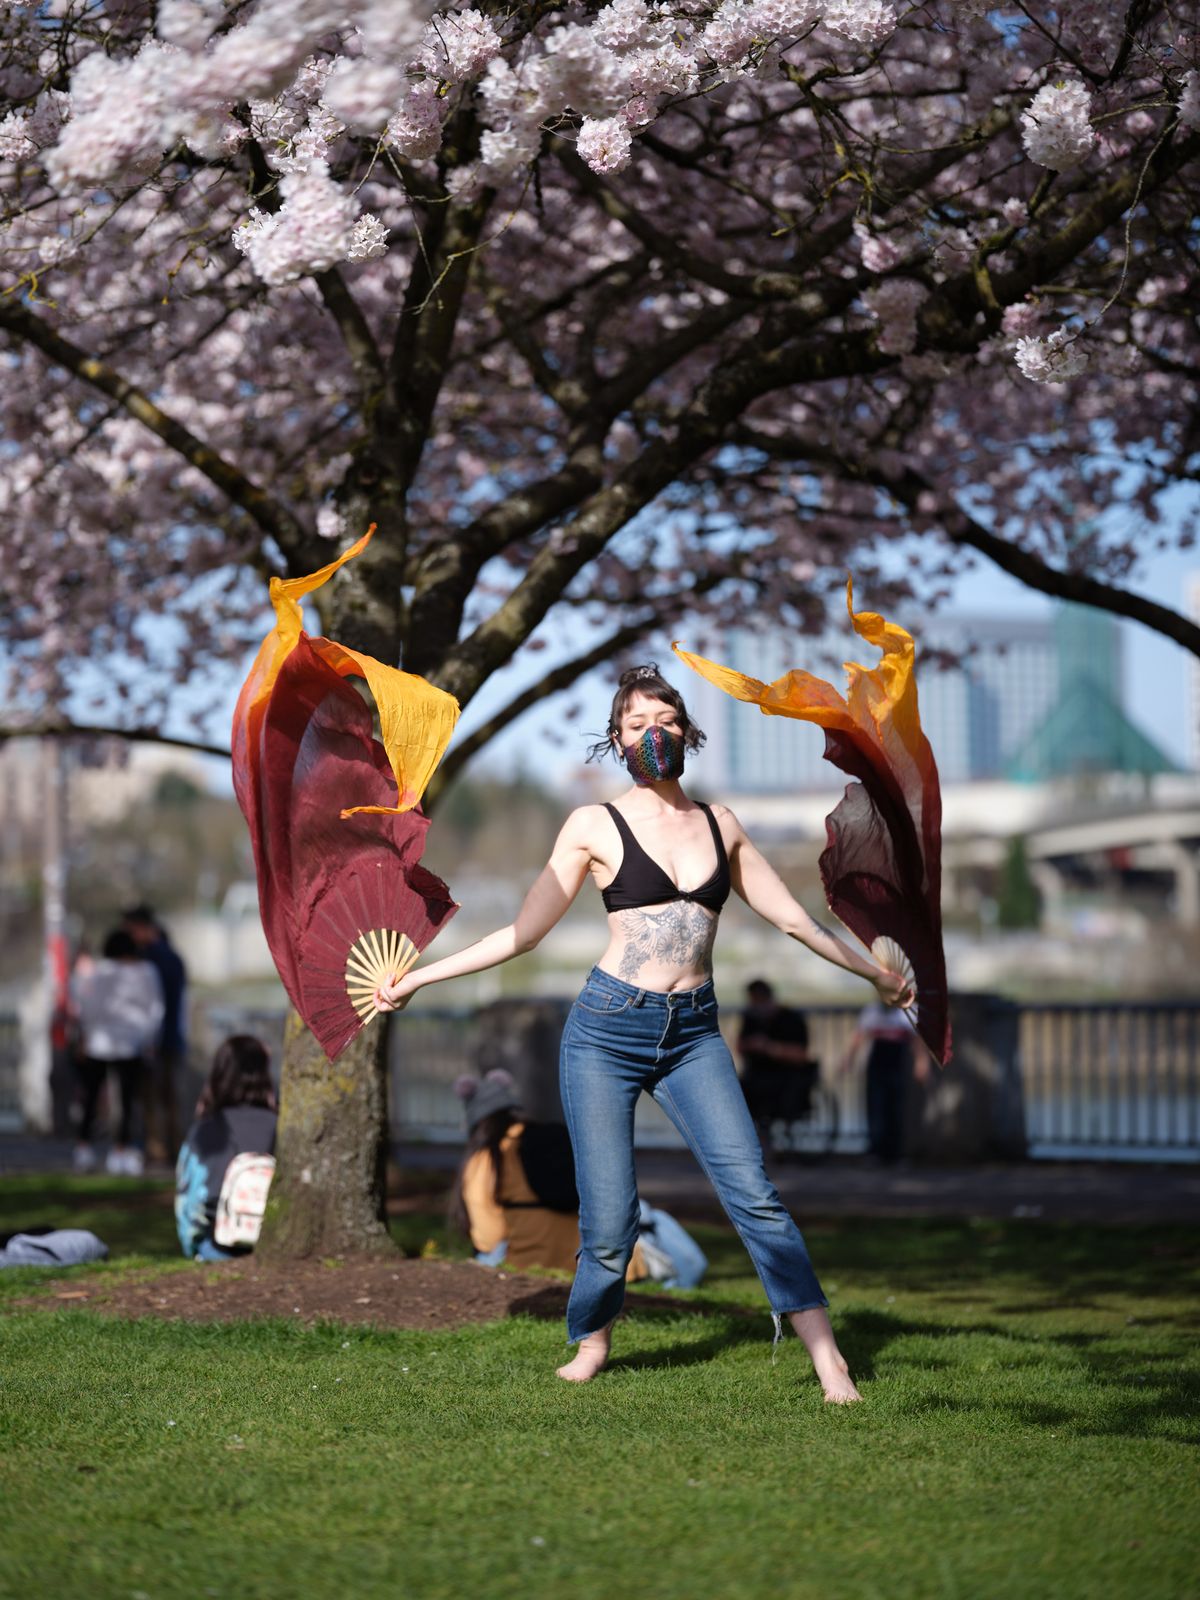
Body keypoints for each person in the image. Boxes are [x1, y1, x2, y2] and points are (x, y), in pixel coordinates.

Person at [377, 663, 912, 1402]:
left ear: (686, 732)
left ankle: (829, 1359)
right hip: (606, 1032)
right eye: (636, 726)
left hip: (694, 1034)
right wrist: (416, 979)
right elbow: (524, 933)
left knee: (756, 1196)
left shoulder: (721, 825)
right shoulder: (593, 825)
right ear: (617, 740)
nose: (651, 735)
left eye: (663, 722)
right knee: (610, 1218)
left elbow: (792, 917)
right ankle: (591, 1339)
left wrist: (872, 975)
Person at [452, 1069, 706, 1290]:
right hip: (599, 1265)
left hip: (525, 1265)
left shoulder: (485, 1159)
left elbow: (488, 1236)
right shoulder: (551, 1139)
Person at [175, 1035, 278, 1261]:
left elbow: (190, 1202)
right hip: (270, 1239)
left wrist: (193, 1246)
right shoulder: (279, 1126)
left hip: (218, 1245)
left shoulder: (206, 1129)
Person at [72, 928, 164, 1175]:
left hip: (99, 1042)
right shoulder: (146, 972)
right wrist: (147, 1037)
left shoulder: (99, 972)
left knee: (91, 1097)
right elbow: (156, 1009)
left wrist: (88, 1033)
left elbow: (87, 1007)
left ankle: (84, 1146)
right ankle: (121, 1149)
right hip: (131, 1044)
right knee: (127, 1099)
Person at [123, 904, 188, 1164]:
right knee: (169, 1099)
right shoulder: (172, 957)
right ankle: (172, 1149)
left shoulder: (149, 960)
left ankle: (159, 1150)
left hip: (156, 1039)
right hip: (171, 1038)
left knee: (155, 1099)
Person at [842, 1000, 928, 1165]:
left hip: (898, 1063)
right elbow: (859, 1036)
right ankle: (876, 1151)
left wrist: (921, 1062)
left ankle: (895, 1153)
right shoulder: (872, 1011)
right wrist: (848, 1060)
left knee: (896, 1107)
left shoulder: (907, 1011)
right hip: (877, 1062)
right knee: (876, 1106)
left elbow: (917, 1040)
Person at [738, 978, 816, 1154]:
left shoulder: (791, 1019)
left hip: (788, 1077)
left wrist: (771, 1048)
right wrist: (753, 1045)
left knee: (781, 1091)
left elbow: (801, 1055)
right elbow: (740, 1046)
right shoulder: (751, 1018)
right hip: (757, 1076)